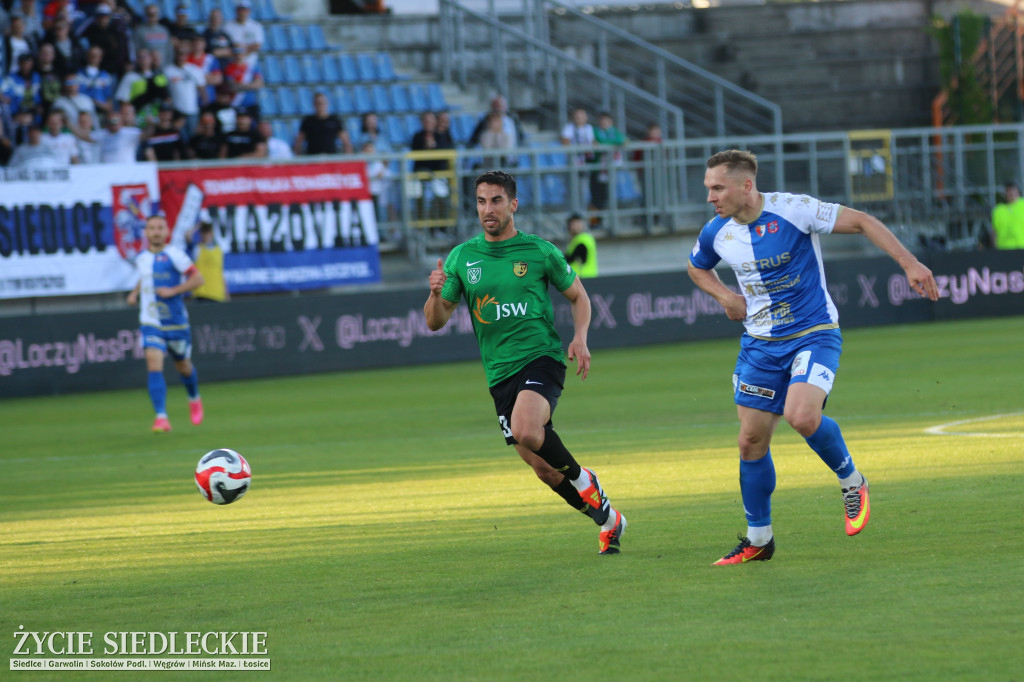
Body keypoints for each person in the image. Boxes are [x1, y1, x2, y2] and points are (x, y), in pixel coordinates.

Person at [687, 149, 939, 565]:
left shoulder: (794, 209)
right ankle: (759, 539)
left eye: (717, 188)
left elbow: (861, 221)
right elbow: (696, 268)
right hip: (759, 344)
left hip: (813, 333)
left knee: (801, 416)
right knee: (750, 441)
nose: (710, 197)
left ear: (746, 185)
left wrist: (908, 263)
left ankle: (853, 482)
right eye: (708, 188)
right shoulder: (716, 232)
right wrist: (726, 297)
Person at [423, 170, 627, 555]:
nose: (488, 209)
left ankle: (586, 479)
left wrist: (580, 338)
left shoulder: (539, 251)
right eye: (481, 201)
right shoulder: (462, 258)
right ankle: (609, 521)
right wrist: (434, 293)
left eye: (496, 200)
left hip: (541, 358)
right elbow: (435, 321)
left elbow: (579, 297)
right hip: (499, 374)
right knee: (544, 469)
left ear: (513, 204)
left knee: (528, 429)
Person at [126, 215, 206, 433]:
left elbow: (198, 279)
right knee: (153, 364)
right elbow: (146, 278)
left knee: (183, 366)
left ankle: (193, 397)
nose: (156, 232)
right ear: (146, 233)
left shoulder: (175, 255)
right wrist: (134, 293)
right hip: (150, 321)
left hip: (176, 322)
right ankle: (161, 417)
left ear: (167, 230)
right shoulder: (142, 258)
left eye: (160, 227)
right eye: (152, 228)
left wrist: (173, 291)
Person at [294, 90, 351, 155]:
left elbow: (345, 141)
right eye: (318, 103)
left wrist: (347, 158)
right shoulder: (308, 121)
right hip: (313, 159)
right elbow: (299, 141)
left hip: (331, 158)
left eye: (322, 103)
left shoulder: (335, 120)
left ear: (327, 103)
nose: (320, 105)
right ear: (314, 104)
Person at [187, 219, 229, 302]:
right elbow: (188, 236)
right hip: (201, 293)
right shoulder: (197, 248)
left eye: (208, 232)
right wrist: (197, 226)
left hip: (217, 294)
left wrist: (226, 293)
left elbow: (221, 272)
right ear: (200, 234)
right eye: (203, 232)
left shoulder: (219, 250)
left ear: (212, 233)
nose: (206, 235)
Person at [991, 182, 1024, 249]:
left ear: (1018, 192)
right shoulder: (998, 210)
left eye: (1012, 190)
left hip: (1021, 246)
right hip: (1004, 248)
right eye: (1008, 191)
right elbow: (995, 231)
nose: (1010, 193)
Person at [564, 212, 598, 278]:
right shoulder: (578, 240)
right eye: (572, 224)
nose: (573, 227)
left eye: (575, 224)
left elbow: (570, 258)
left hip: (583, 277)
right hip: (586, 277)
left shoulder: (582, 240)